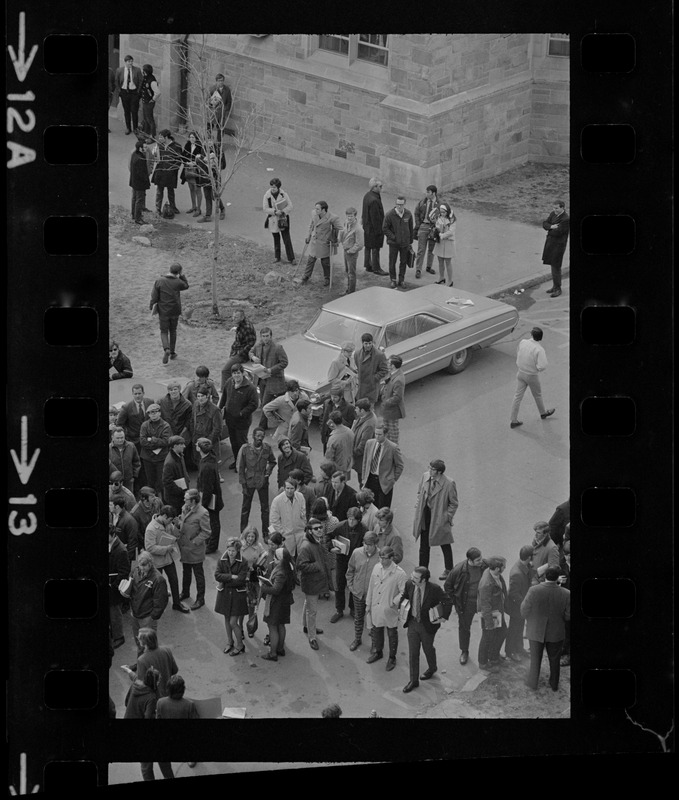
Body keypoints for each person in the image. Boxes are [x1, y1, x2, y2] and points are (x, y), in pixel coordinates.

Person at [400, 566, 452, 693]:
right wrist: (401, 607)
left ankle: (432, 667)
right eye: (412, 576)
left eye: (416, 578)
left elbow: (448, 601)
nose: (412, 578)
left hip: (427, 625)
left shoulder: (434, 589)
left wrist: (443, 617)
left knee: (428, 648)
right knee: (413, 652)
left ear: (424, 580)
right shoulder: (409, 584)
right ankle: (413, 680)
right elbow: (406, 596)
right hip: (412, 623)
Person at [521, 566, 570, 691]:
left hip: (536, 631)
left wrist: (531, 620)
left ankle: (532, 683)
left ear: (545, 576)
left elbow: (524, 610)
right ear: (557, 577)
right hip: (556, 633)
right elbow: (568, 615)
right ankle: (554, 684)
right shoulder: (566, 593)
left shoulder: (533, 590)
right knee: (555, 660)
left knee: (535, 659)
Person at [412, 459, 458, 580]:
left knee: (444, 542)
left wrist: (447, 517)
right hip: (425, 514)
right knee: (424, 545)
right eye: (430, 468)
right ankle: (423, 570)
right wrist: (418, 504)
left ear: (439, 472)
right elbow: (419, 492)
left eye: (432, 469)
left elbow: (453, 503)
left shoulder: (449, 483)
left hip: (439, 516)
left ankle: (449, 569)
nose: (429, 470)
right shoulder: (425, 476)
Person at [365, 546, 407, 670]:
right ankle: (378, 652)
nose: (381, 561)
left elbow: (404, 592)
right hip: (376, 606)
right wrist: (368, 603)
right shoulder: (377, 567)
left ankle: (392, 657)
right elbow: (371, 586)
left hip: (389, 608)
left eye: (384, 558)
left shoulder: (400, 573)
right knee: (377, 630)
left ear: (392, 558)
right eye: (380, 558)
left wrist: (393, 602)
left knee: (392, 632)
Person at [144, 503, 190, 614]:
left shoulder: (168, 524)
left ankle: (177, 603)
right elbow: (149, 547)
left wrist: (176, 526)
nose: (170, 522)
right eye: (169, 520)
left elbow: (175, 535)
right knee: (157, 585)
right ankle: (155, 606)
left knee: (174, 580)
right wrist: (166, 548)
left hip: (168, 559)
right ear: (164, 516)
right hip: (157, 561)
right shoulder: (151, 529)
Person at [444, 547, 486, 665]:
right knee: (464, 627)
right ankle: (464, 651)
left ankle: (490, 652)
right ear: (470, 560)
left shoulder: (484, 565)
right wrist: (456, 601)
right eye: (478, 560)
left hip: (483, 601)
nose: (481, 561)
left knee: (489, 625)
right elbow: (448, 586)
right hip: (466, 604)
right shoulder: (458, 570)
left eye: (481, 558)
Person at [122, 550, 169, 655]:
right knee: (139, 642)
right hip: (135, 614)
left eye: (144, 566)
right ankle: (140, 663)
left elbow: (161, 601)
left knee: (149, 646)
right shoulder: (135, 571)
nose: (142, 568)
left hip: (147, 618)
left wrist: (152, 617)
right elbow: (130, 586)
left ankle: (150, 667)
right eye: (140, 565)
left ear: (150, 564)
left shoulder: (158, 579)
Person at [297, 518, 334, 650]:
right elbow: (300, 565)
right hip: (311, 582)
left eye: (320, 527)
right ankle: (312, 637)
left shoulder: (316, 541)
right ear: (309, 531)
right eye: (316, 528)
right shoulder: (306, 546)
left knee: (308, 605)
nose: (319, 530)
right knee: (312, 610)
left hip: (316, 581)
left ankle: (306, 626)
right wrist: (316, 566)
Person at [509, 326, 555, 428]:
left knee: (517, 397)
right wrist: (536, 368)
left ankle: (513, 420)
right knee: (537, 395)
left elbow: (519, 353)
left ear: (531, 334)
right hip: (531, 375)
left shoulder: (523, 342)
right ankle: (543, 413)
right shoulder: (539, 349)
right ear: (540, 338)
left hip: (520, 373)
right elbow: (542, 366)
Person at [329, 506, 366, 623]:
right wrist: (331, 548)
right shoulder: (340, 526)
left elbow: (367, 543)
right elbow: (328, 536)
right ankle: (339, 610)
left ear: (358, 520)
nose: (351, 522)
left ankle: (352, 608)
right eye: (349, 519)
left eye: (353, 520)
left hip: (355, 562)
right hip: (341, 560)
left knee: (353, 586)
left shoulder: (363, 529)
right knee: (339, 585)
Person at [236, 427, 276, 533]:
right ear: (253, 436)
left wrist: (268, 472)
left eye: (262, 436)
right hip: (249, 482)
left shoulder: (267, 448)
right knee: (245, 508)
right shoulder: (246, 449)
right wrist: (243, 485)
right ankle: (243, 532)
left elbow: (272, 461)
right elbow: (240, 468)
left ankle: (266, 533)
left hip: (262, 482)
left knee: (265, 509)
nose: (260, 438)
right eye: (258, 436)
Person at [219, 363, 258, 468]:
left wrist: (241, 413)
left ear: (243, 373)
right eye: (234, 373)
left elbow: (254, 405)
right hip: (230, 420)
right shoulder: (229, 382)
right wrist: (220, 409)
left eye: (238, 373)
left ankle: (244, 464)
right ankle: (237, 461)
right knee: (234, 442)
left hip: (242, 422)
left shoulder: (250, 388)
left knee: (242, 444)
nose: (236, 376)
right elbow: (224, 397)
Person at [177, 489, 211, 610]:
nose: (184, 500)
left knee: (198, 574)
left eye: (186, 499)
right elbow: (183, 521)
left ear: (193, 500)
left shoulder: (202, 513)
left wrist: (194, 542)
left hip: (195, 549)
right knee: (186, 572)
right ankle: (185, 592)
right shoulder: (184, 508)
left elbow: (206, 532)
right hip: (185, 548)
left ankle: (200, 599)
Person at [260, 546, 296, 661]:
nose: (274, 559)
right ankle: (280, 648)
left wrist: (263, 587)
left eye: (276, 558)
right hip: (285, 601)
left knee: (272, 627)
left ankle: (273, 653)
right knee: (281, 625)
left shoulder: (280, 572)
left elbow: (275, 590)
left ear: (281, 560)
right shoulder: (289, 567)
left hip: (277, 603)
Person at [345, 531, 380, 650]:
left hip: (374, 596)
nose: (367, 547)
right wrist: (351, 587)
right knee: (358, 618)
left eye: (370, 545)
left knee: (374, 621)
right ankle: (357, 639)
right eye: (365, 544)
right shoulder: (357, 553)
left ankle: (375, 645)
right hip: (358, 593)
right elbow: (350, 570)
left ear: (375, 544)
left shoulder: (381, 557)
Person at [215, 537, 249, 656]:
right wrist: (231, 577)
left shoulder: (243, 562)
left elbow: (241, 580)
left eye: (233, 551)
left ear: (238, 551)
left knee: (233, 622)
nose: (230, 553)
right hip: (225, 593)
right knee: (226, 618)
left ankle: (240, 645)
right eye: (229, 550)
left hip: (237, 595)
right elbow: (217, 575)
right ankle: (230, 642)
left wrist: (226, 579)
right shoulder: (222, 559)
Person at [249, 327, 289, 430]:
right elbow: (251, 352)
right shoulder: (258, 345)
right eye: (263, 336)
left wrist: (271, 370)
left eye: (267, 336)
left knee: (267, 403)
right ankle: (269, 423)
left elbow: (284, 363)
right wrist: (253, 357)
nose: (265, 338)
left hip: (274, 380)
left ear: (271, 336)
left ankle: (262, 426)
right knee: (265, 401)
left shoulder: (278, 347)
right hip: (261, 379)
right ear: (261, 337)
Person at [149, 262, 189, 364]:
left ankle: (166, 349)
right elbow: (186, 286)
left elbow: (154, 296)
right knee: (173, 331)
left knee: (163, 331)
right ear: (178, 272)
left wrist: (152, 305)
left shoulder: (159, 281)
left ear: (169, 270)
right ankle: (172, 352)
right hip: (175, 310)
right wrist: (182, 276)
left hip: (163, 311)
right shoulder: (178, 282)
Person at [361, 424, 404, 509]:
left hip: (384, 483)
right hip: (370, 479)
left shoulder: (393, 448)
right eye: (376, 434)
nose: (377, 436)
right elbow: (365, 461)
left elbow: (400, 465)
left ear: (385, 434)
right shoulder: (369, 443)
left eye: (379, 434)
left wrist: (392, 479)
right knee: (370, 507)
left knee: (383, 508)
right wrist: (364, 477)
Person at [300, 201, 342, 287]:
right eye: (315, 208)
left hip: (324, 242)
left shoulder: (333, 218)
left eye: (318, 209)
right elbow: (311, 225)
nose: (315, 210)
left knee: (325, 262)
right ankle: (306, 276)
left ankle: (327, 278)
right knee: (311, 259)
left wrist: (336, 239)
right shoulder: (314, 214)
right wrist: (308, 235)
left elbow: (340, 229)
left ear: (323, 210)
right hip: (315, 240)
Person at [477, 556, 508, 672]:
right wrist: (489, 624)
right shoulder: (486, 583)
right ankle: (483, 662)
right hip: (490, 614)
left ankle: (494, 656)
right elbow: (485, 605)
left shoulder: (494, 574)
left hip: (497, 612)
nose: (505, 568)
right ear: (497, 569)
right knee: (487, 637)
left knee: (502, 632)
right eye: (503, 566)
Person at [504, 545, 534, 661]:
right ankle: (510, 651)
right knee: (514, 629)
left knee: (520, 627)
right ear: (529, 557)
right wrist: (525, 604)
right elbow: (514, 594)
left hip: (521, 605)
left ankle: (519, 648)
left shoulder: (525, 566)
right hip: (516, 606)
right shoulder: (517, 573)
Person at [195, 438, 224, 554]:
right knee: (212, 522)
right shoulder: (210, 459)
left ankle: (212, 545)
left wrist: (203, 504)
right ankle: (210, 542)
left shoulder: (206, 466)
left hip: (211, 499)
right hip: (214, 497)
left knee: (213, 523)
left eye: (197, 445)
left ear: (200, 449)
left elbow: (207, 488)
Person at [240, 526, 268, 636]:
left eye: (253, 536)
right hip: (242, 579)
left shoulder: (259, 546)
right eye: (249, 536)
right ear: (245, 536)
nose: (250, 539)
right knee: (241, 606)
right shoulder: (240, 546)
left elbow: (264, 557)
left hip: (253, 579)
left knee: (252, 604)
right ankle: (240, 628)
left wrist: (258, 566)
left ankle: (250, 626)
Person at [139, 404, 171, 498]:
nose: (153, 415)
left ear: (160, 413)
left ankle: (164, 502)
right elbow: (142, 441)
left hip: (161, 458)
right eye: (150, 413)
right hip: (147, 458)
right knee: (150, 482)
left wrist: (151, 439)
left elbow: (166, 441)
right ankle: (152, 501)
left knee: (162, 482)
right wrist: (156, 442)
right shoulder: (145, 425)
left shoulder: (165, 426)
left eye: (155, 412)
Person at [135, 627, 179, 698]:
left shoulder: (142, 660)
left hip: (155, 697)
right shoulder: (166, 650)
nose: (138, 640)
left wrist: (131, 674)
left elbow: (142, 684)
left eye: (139, 638)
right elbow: (175, 670)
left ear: (144, 642)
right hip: (169, 692)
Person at [269, 477, 307, 558]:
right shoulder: (277, 501)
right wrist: (283, 534)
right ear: (284, 488)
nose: (289, 491)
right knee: (288, 561)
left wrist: (303, 527)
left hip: (300, 535)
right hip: (286, 538)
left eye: (292, 488)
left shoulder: (300, 497)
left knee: (301, 559)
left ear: (295, 488)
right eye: (287, 488)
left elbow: (303, 514)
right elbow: (274, 521)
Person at [382, 195, 414, 289]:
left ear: (404, 204)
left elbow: (410, 228)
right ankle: (393, 280)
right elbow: (385, 228)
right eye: (397, 204)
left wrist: (410, 241)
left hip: (405, 243)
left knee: (403, 262)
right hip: (394, 244)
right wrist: (393, 237)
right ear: (395, 204)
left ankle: (401, 280)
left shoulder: (408, 214)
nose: (399, 207)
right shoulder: (389, 214)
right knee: (392, 262)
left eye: (401, 205)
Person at [221, 308, 257, 390]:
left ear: (242, 317)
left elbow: (251, 342)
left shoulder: (247, 327)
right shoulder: (241, 325)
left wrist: (241, 353)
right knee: (232, 370)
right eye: (233, 317)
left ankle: (224, 391)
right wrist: (236, 329)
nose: (233, 318)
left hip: (241, 355)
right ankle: (232, 387)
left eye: (236, 317)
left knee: (225, 370)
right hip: (236, 351)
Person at [185, 388, 222, 467]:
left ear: (207, 396)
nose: (200, 398)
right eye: (198, 396)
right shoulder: (195, 404)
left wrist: (208, 441)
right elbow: (192, 420)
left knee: (210, 462)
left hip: (208, 440)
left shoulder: (215, 410)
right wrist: (193, 434)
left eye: (202, 396)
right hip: (196, 438)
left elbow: (217, 428)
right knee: (198, 461)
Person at [263, 177, 296, 264]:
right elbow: (265, 208)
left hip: (283, 218)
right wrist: (274, 212)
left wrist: (282, 212)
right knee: (276, 238)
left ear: (278, 187)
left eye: (274, 187)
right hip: (273, 219)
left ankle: (291, 258)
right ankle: (277, 257)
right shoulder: (267, 196)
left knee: (286, 238)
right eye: (271, 187)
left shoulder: (284, 194)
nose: (272, 189)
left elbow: (290, 206)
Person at [541, 200, 569, 297]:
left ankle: (558, 288)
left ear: (562, 208)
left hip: (559, 245)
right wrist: (552, 226)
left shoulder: (566, 219)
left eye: (556, 208)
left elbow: (559, 232)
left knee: (556, 266)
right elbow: (544, 223)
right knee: (552, 265)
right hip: (551, 244)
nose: (554, 210)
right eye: (554, 208)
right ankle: (555, 286)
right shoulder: (553, 214)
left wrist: (549, 229)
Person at [109, 524, 131, 649]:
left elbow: (124, 572)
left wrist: (113, 585)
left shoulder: (121, 550)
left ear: (113, 535)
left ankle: (119, 637)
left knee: (115, 613)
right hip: (111, 585)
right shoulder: (113, 545)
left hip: (114, 587)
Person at [361, 176, 388, 275]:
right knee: (375, 248)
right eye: (380, 186)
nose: (381, 188)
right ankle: (376, 268)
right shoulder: (374, 200)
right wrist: (379, 231)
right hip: (374, 229)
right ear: (374, 187)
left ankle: (368, 265)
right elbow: (376, 218)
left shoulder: (367, 195)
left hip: (367, 227)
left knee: (368, 247)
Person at [152, 129, 183, 216]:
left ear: (166, 137)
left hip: (171, 172)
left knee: (171, 191)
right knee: (159, 191)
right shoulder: (159, 145)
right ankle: (158, 208)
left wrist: (173, 169)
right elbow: (156, 159)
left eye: (161, 137)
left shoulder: (177, 146)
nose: (159, 139)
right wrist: (154, 154)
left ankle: (173, 207)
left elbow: (179, 160)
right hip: (160, 171)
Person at [354, 333, 389, 405]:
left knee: (370, 409)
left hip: (371, 388)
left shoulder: (379, 355)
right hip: (360, 387)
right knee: (361, 409)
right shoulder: (357, 353)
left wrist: (373, 378)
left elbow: (384, 370)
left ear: (372, 342)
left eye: (370, 343)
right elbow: (356, 367)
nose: (368, 345)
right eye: (366, 343)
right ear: (362, 343)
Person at [320, 385, 356, 453]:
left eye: (335, 397)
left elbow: (351, 426)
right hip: (327, 437)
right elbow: (323, 418)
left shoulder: (349, 408)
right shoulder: (327, 403)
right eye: (331, 396)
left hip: (339, 440)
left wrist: (337, 421)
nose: (332, 399)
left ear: (341, 396)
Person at [413, 184, 439, 278]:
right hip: (423, 226)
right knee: (421, 249)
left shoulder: (439, 204)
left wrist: (437, 224)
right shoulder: (422, 202)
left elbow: (443, 215)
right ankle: (418, 269)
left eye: (428, 192)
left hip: (433, 228)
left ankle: (429, 266)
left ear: (433, 193)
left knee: (431, 249)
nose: (426, 194)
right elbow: (416, 212)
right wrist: (418, 224)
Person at [380, 356, 406, 444]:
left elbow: (397, 397)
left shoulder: (398, 380)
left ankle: (394, 451)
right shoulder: (394, 373)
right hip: (388, 410)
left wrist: (386, 403)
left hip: (392, 411)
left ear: (393, 366)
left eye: (389, 363)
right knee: (387, 431)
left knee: (393, 433)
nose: (387, 364)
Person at [338, 206, 364, 294]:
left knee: (351, 273)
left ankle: (351, 292)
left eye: (351, 216)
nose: (349, 218)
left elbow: (360, 244)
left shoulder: (358, 229)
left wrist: (351, 251)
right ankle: (348, 289)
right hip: (345, 250)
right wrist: (339, 240)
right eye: (348, 216)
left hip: (351, 253)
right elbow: (342, 232)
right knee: (347, 271)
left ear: (355, 216)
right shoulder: (346, 223)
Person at [162, 436, 190, 515]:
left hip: (181, 495)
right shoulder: (169, 463)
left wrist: (187, 478)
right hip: (175, 499)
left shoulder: (180, 455)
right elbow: (167, 482)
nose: (184, 446)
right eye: (181, 444)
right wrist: (180, 491)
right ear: (175, 446)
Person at [351, 399, 377, 485]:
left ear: (362, 410)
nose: (355, 410)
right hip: (360, 460)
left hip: (362, 461)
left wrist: (351, 454)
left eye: (356, 409)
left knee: (363, 482)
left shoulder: (369, 424)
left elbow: (363, 445)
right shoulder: (365, 417)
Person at [115, 55, 143, 135]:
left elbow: (141, 81)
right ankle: (128, 128)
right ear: (125, 62)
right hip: (124, 92)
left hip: (134, 93)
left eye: (131, 61)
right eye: (129, 61)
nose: (131, 63)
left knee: (134, 111)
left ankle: (135, 128)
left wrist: (138, 92)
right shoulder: (119, 70)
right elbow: (116, 81)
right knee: (126, 111)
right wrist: (120, 91)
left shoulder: (137, 70)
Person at [109, 427, 141, 494]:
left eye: (122, 437)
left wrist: (134, 476)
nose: (120, 440)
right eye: (118, 438)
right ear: (112, 437)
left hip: (129, 480)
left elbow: (136, 462)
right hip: (114, 482)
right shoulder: (109, 449)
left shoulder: (131, 446)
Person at [432, 202, 457, 286]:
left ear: (447, 211)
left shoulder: (452, 219)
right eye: (441, 212)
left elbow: (451, 231)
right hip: (440, 242)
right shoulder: (439, 217)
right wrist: (437, 230)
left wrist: (442, 235)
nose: (442, 214)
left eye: (444, 212)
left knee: (448, 261)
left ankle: (450, 280)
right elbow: (437, 226)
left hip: (448, 242)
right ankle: (441, 277)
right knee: (440, 260)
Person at [325, 411, 354, 480]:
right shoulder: (350, 431)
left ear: (332, 422)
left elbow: (329, 457)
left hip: (337, 468)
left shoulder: (333, 438)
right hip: (348, 463)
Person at [110, 495, 139, 564]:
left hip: (123, 558)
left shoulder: (130, 521)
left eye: (110, 505)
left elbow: (132, 543)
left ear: (116, 507)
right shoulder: (110, 516)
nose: (108, 507)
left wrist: (125, 559)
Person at [181, 131, 204, 216]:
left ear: (196, 138)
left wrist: (194, 163)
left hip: (197, 169)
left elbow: (202, 158)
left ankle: (198, 208)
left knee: (197, 189)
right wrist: (187, 162)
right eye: (190, 137)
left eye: (193, 137)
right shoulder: (187, 145)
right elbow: (183, 155)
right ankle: (193, 206)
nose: (191, 139)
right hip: (188, 169)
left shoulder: (200, 147)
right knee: (191, 188)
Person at [129, 140, 151, 224]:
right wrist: (146, 180)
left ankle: (134, 214)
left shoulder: (134, 155)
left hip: (134, 181)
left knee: (134, 198)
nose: (146, 149)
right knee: (139, 199)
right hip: (140, 183)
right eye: (144, 147)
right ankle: (138, 218)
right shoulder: (140, 158)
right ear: (140, 148)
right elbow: (141, 173)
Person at [207, 72, 232, 142]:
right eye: (219, 81)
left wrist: (225, 110)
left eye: (222, 80)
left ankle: (219, 144)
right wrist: (211, 104)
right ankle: (208, 141)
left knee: (221, 129)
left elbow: (229, 101)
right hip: (213, 112)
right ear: (216, 81)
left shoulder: (227, 90)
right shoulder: (212, 89)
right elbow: (208, 100)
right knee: (209, 127)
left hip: (221, 113)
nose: (220, 82)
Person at [139, 64, 160, 138]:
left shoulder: (152, 81)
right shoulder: (146, 77)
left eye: (143, 70)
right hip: (145, 102)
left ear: (146, 71)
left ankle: (153, 135)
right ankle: (146, 133)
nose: (142, 71)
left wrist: (153, 100)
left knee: (150, 119)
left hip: (149, 103)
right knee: (145, 118)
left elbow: (158, 92)